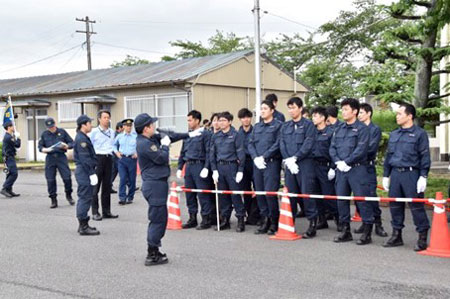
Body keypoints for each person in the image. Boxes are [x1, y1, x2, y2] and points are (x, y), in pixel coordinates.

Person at [135, 113, 200, 266]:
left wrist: (189, 134)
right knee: (157, 219)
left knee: (160, 218)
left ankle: (155, 248)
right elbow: (162, 158)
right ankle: (152, 253)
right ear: (146, 128)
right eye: (152, 124)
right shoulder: (144, 144)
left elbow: (170, 136)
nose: (155, 127)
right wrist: (165, 146)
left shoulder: (150, 138)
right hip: (154, 184)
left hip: (157, 183)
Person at [382, 103, 430, 251]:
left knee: (416, 206)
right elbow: (389, 155)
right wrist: (386, 175)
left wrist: (423, 176)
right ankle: (397, 235)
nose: (397, 116)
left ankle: (422, 236)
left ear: (410, 116)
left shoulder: (419, 134)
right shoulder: (394, 134)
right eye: (397, 114)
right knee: (395, 205)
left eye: (400, 114)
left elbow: (424, 156)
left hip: (411, 174)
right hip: (396, 173)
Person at [330, 98, 374, 245]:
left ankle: (367, 232)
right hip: (342, 170)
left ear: (354, 111)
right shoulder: (339, 129)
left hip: (357, 169)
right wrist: (338, 162)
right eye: (342, 109)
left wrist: (347, 161)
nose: (343, 112)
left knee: (361, 200)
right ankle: (345, 230)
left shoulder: (362, 129)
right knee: (341, 200)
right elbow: (332, 147)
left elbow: (361, 149)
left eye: (346, 109)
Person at [280, 97, 318, 238]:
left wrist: (296, 157)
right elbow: (282, 143)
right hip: (290, 165)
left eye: (293, 107)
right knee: (290, 195)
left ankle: (312, 223)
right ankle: (290, 223)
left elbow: (308, 144)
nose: (291, 111)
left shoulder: (308, 125)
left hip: (304, 163)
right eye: (289, 108)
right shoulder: (286, 126)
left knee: (306, 194)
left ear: (300, 108)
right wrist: (289, 160)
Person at [249, 100, 283, 235]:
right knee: (260, 193)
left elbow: (278, 143)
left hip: (271, 163)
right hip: (257, 164)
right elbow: (250, 143)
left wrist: (265, 156)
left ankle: (274, 221)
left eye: (265, 108)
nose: (262, 111)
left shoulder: (278, 126)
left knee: (270, 193)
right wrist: (255, 158)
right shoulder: (257, 127)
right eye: (260, 109)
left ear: (272, 110)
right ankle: (265, 219)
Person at [177, 110, 214, 230]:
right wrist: (179, 167)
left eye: (190, 120)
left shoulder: (205, 134)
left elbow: (209, 152)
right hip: (189, 166)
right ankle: (192, 218)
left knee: (203, 194)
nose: (188, 122)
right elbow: (182, 152)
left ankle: (206, 219)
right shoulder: (188, 134)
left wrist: (206, 168)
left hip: (200, 165)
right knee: (189, 194)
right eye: (187, 120)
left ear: (197, 120)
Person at [210, 111, 246, 232]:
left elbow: (241, 153)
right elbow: (212, 154)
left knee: (235, 194)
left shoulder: (236, 135)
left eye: (224, 120)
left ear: (230, 122)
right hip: (220, 167)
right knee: (222, 195)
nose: (221, 122)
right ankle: (225, 219)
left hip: (232, 167)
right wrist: (214, 170)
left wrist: (240, 170)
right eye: (219, 120)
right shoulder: (215, 136)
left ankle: (241, 219)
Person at [355, 103, 388, 237]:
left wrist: (356, 154)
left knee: (370, 195)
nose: (359, 115)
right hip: (355, 166)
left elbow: (371, 148)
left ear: (368, 113)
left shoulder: (374, 129)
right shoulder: (356, 128)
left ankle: (378, 223)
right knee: (359, 196)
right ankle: (365, 221)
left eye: (361, 113)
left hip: (367, 166)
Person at [310, 107, 339, 231]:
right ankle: (322, 220)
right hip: (313, 166)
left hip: (325, 166)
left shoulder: (331, 132)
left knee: (329, 196)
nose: (313, 118)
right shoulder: (311, 132)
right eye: (313, 116)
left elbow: (334, 151)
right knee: (316, 196)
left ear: (323, 118)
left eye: (316, 116)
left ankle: (340, 221)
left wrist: (333, 167)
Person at [38, 117, 74, 208]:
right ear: (46, 127)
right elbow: (40, 146)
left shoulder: (62, 132)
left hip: (61, 157)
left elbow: (72, 143)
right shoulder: (44, 134)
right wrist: (44, 149)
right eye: (49, 127)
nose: (51, 128)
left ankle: (68, 195)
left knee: (67, 177)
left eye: (53, 126)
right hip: (50, 157)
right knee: (50, 179)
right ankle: (53, 199)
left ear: (55, 124)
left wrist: (67, 146)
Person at [89, 110, 118, 221]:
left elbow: (112, 145)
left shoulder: (111, 132)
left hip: (109, 158)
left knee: (107, 186)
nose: (107, 119)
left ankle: (106, 211)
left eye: (108, 117)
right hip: (98, 158)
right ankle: (95, 212)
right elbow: (90, 146)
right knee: (95, 186)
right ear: (99, 119)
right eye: (104, 117)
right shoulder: (94, 132)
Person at [73, 115, 100, 236]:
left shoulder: (83, 137)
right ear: (83, 125)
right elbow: (85, 159)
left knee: (86, 197)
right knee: (85, 197)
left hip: (84, 170)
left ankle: (83, 225)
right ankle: (83, 226)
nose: (91, 125)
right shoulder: (81, 139)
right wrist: (91, 173)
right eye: (89, 123)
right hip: (84, 171)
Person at [238, 108, 260, 225]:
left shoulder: (255, 131)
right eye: (243, 118)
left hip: (254, 161)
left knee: (257, 189)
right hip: (242, 163)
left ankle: (256, 215)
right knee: (245, 190)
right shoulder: (238, 133)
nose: (245, 120)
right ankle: (248, 214)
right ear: (240, 119)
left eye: (247, 117)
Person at [114, 118, 138, 205]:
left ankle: (130, 197)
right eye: (127, 126)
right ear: (123, 126)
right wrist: (116, 152)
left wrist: (137, 153)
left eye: (130, 126)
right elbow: (113, 145)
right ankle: (122, 197)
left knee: (132, 179)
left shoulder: (135, 136)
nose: (129, 127)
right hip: (122, 159)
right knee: (123, 178)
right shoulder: (119, 136)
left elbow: (140, 145)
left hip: (132, 159)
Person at [1, 121, 20, 198]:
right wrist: (18, 138)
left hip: (8, 157)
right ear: (8, 127)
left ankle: (9, 190)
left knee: (9, 174)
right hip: (9, 157)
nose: (14, 127)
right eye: (12, 126)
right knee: (14, 174)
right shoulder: (8, 137)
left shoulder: (8, 136)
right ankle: (4, 188)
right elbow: (17, 145)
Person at [111, 121, 124, 194]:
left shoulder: (117, 134)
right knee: (122, 171)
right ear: (119, 128)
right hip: (116, 156)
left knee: (114, 172)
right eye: (122, 127)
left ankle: (109, 185)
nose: (123, 129)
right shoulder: (116, 135)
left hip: (115, 156)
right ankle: (129, 184)